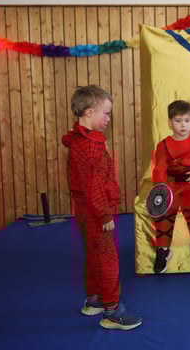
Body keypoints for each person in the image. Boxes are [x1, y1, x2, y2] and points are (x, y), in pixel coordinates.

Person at [62, 85, 142, 330]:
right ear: (89, 112)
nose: (108, 118)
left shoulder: (82, 140)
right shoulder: (89, 147)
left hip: (87, 210)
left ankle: (94, 299)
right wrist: (105, 214)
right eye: (105, 113)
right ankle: (112, 311)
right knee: (107, 259)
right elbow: (93, 185)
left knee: (94, 254)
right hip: (95, 212)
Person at [151, 100, 190, 274]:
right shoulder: (163, 145)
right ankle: (163, 250)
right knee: (164, 208)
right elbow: (159, 168)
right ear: (170, 123)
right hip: (171, 184)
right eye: (178, 121)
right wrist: (160, 188)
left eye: (187, 120)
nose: (183, 125)